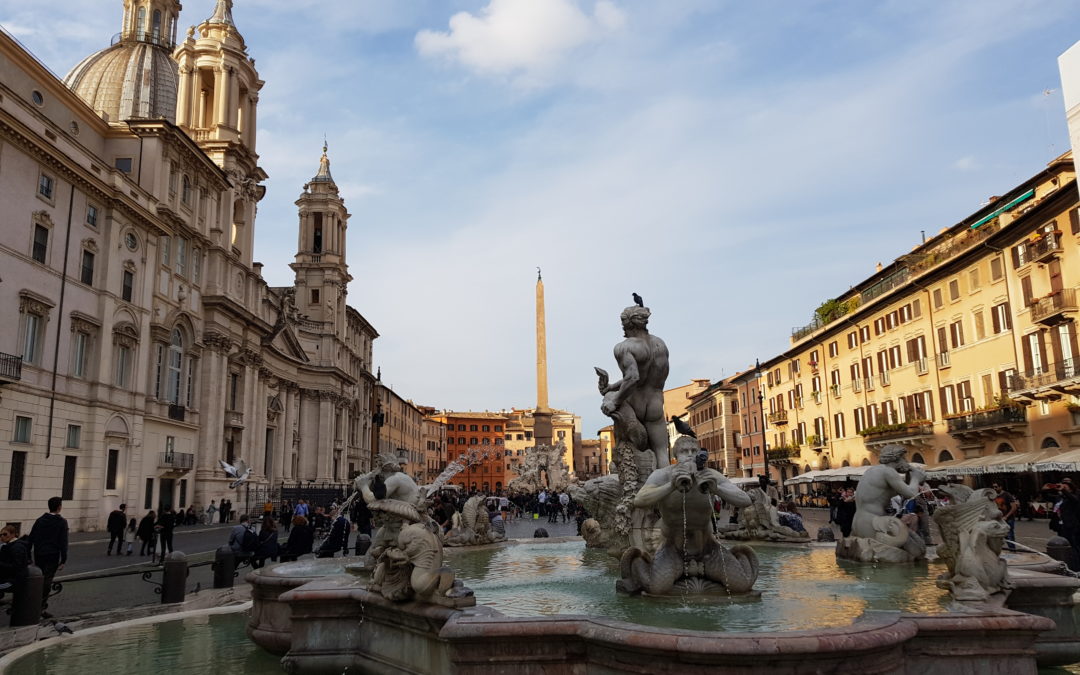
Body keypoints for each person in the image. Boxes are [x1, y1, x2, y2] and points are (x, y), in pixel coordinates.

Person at [598, 305, 671, 469]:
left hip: (635, 403)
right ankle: (663, 491)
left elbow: (633, 377)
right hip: (655, 403)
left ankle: (628, 490)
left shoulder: (624, 347)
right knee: (661, 453)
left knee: (625, 451)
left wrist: (614, 400)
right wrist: (612, 386)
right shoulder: (660, 345)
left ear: (627, 324)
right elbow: (642, 377)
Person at [29, 496, 68, 613]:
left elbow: (31, 538)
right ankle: (41, 605)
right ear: (59, 507)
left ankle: (35, 602)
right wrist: (63, 560)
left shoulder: (40, 520)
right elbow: (63, 542)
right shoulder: (61, 522)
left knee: (39, 577)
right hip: (53, 554)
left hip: (39, 553)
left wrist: (28, 556)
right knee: (47, 579)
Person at [992, 482, 1018, 552]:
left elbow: (1014, 507)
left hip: (1008, 518)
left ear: (1001, 487)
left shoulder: (1007, 495)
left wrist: (1007, 516)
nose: (994, 488)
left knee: (1010, 535)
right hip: (999, 519)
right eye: (993, 487)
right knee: (1002, 535)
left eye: (996, 487)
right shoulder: (994, 496)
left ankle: (1013, 551)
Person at [1058, 478, 1080, 557]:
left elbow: (1074, 500)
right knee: (1066, 544)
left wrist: (1064, 490)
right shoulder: (1062, 496)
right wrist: (1045, 490)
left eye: (1066, 485)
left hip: (1074, 525)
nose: (1063, 486)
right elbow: (1051, 498)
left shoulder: (1076, 494)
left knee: (1075, 546)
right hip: (1064, 524)